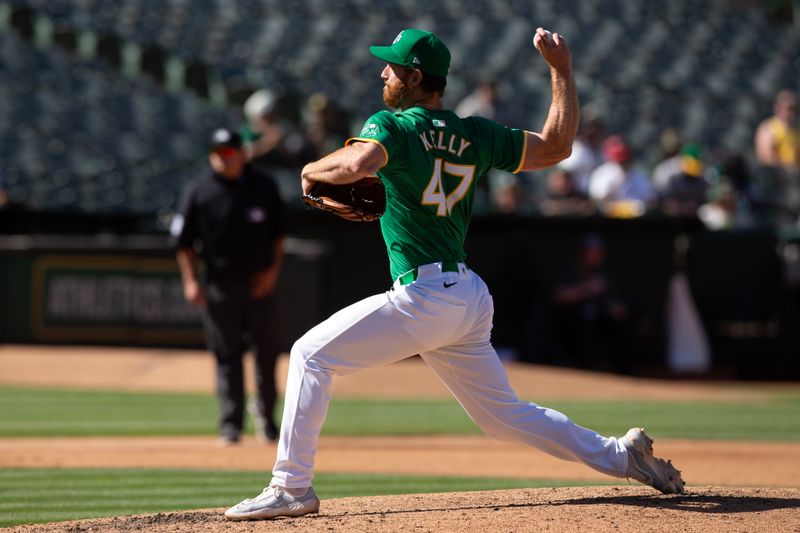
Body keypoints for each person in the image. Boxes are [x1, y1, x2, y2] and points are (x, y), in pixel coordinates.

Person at [224, 27, 684, 522]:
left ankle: (291, 486)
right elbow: (556, 147)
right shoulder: (475, 133)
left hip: (425, 294)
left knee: (309, 355)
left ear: (414, 77)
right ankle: (622, 455)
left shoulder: (392, 126)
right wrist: (562, 71)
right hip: (466, 294)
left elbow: (358, 162)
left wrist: (312, 169)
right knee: (503, 416)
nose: (383, 72)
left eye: (392, 66)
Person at [173, 128, 287, 446]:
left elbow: (279, 236)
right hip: (219, 286)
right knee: (227, 356)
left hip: (259, 285)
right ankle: (231, 425)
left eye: (228, 152)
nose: (222, 158)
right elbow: (183, 243)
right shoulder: (199, 190)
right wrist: (190, 280)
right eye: (217, 152)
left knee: (266, 356)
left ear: (241, 153)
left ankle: (266, 420)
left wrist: (272, 274)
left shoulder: (264, 186)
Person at [552, 233, 631, 371]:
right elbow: (559, 296)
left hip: (599, 333)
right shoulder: (570, 272)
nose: (593, 256)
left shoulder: (605, 277)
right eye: (589, 251)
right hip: (570, 331)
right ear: (582, 253)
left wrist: (614, 309)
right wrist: (588, 289)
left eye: (596, 252)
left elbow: (618, 309)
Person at [588, 135, 657, 213]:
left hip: (636, 213)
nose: (624, 164)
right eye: (620, 162)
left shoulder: (638, 174)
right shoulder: (603, 173)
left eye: (626, 161)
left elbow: (651, 199)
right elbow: (598, 199)